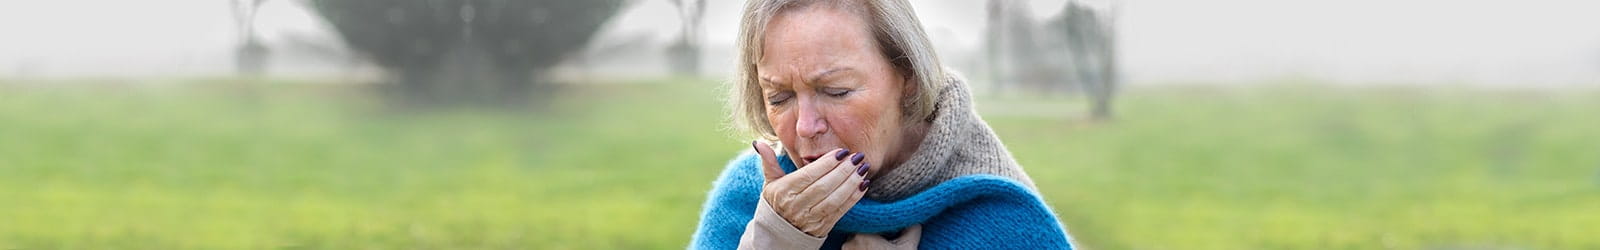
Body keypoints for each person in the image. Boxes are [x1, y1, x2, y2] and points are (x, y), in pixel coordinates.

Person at [691, 0, 1074, 249]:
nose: (805, 127)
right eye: (779, 97)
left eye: (836, 91)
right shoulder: (748, 200)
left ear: (907, 77)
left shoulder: (1000, 220)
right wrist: (775, 239)